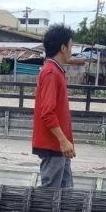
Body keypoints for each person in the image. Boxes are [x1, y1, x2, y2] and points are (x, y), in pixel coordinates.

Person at [32, 24, 76, 187]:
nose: (71, 50)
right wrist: (63, 140)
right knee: (50, 193)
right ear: (63, 48)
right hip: (53, 144)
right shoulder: (51, 73)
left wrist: (65, 142)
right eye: (70, 46)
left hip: (60, 145)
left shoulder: (56, 71)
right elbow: (47, 112)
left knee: (65, 190)